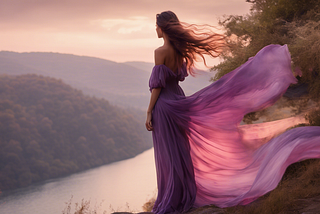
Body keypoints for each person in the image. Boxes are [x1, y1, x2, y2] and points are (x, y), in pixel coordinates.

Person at [146, 11, 320, 214]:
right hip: (178, 99)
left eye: (156, 25)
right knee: (179, 151)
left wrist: (149, 111)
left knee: (169, 152)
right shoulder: (178, 51)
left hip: (165, 106)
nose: (155, 29)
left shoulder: (160, 51)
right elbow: (175, 79)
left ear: (163, 27)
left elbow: (158, 86)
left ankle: (172, 197)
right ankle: (182, 195)